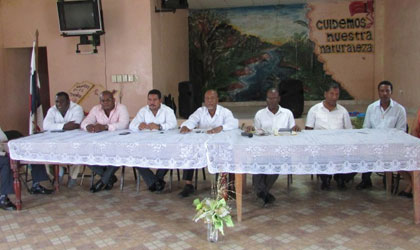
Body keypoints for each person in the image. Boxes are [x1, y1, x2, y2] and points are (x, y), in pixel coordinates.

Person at [178, 89, 238, 197]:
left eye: (212, 98)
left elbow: (234, 123)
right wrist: (186, 126)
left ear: (217, 100)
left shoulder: (224, 112)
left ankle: (223, 186)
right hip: (202, 146)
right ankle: (188, 185)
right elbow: (192, 120)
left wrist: (221, 127)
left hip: (219, 146)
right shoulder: (200, 111)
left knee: (225, 154)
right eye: (207, 98)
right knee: (190, 150)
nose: (209, 101)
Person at [250, 88, 299, 205]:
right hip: (263, 148)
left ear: (279, 99)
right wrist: (252, 130)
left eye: (274, 98)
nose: (272, 101)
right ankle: (263, 192)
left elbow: (292, 132)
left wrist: (295, 129)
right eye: (269, 98)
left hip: (280, 149)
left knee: (276, 163)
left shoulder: (287, 113)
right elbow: (256, 133)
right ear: (266, 100)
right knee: (256, 163)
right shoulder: (260, 114)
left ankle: (261, 192)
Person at [357, 81, 407, 190]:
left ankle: (388, 179)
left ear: (391, 92)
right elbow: (366, 127)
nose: (384, 93)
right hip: (373, 142)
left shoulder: (399, 110)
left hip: (391, 144)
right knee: (364, 150)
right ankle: (365, 179)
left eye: (387, 91)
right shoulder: (371, 108)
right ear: (378, 92)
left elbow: (401, 131)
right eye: (382, 91)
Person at [305, 83, 353, 190]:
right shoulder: (314, 110)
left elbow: (349, 132)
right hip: (320, 146)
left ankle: (340, 177)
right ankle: (325, 179)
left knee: (355, 157)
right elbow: (308, 131)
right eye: (332, 94)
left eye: (337, 94)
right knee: (319, 155)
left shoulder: (343, 111)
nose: (334, 97)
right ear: (325, 94)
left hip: (339, 147)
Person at [129, 89, 177, 192]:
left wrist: (159, 126)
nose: (152, 102)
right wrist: (139, 126)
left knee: (170, 155)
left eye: (155, 100)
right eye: (149, 100)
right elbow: (132, 125)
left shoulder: (167, 110)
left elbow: (173, 124)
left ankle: (154, 181)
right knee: (134, 156)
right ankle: (156, 182)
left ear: (160, 101)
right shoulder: (143, 111)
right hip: (145, 143)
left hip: (164, 143)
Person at [81, 90, 129, 193]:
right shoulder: (96, 109)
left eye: (108, 100)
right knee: (84, 155)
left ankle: (103, 181)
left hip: (118, 143)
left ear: (114, 100)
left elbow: (124, 124)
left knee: (118, 156)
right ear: (100, 102)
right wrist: (87, 126)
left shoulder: (121, 108)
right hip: (100, 143)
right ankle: (109, 177)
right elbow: (85, 122)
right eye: (103, 101)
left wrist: (106, 127)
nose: (106, 103)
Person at [0, 127, 52, 207]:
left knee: (31, 150)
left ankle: (36, 185)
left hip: (3, 148)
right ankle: (3, 198)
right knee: (6, 161)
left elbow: (3, 138)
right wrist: (4, 153)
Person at [43, 92, 84, 187]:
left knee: (78, 150)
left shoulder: (77, 108)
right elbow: (46, 126)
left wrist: (55, 126)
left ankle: (73, 176)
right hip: (55, 140)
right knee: (46, 151)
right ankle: (58, 172)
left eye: (62, 101)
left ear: (68, 101)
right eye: (57, 102)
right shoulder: (52, 110)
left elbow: (75, 125)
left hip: (74, 139)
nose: (59, 104)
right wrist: (63, 126)